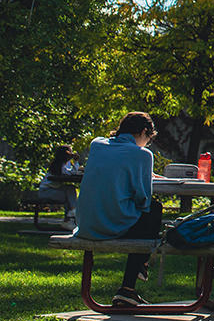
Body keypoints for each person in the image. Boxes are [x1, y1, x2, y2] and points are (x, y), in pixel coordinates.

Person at [75, 111, 163, 308]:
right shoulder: (143, 155)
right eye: (148, 139)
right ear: (143, 132)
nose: (147, 144)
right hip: (110, 226)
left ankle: (135, 277)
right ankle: (130, 283)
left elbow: (116, 163)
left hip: (85, 223)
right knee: (154, 210)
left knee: (148, 215)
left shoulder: (97, 144)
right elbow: (143, 199)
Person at [36, 144, 82, 230]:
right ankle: (71, 216)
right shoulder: (56, 165)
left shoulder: (65, 164)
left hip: (54, 190)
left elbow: (71, 172)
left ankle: (70, 216)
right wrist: (75, 162)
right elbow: (70, 173)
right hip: (46, 192)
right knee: (69, 196)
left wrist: (75, 162)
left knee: (71, 189)